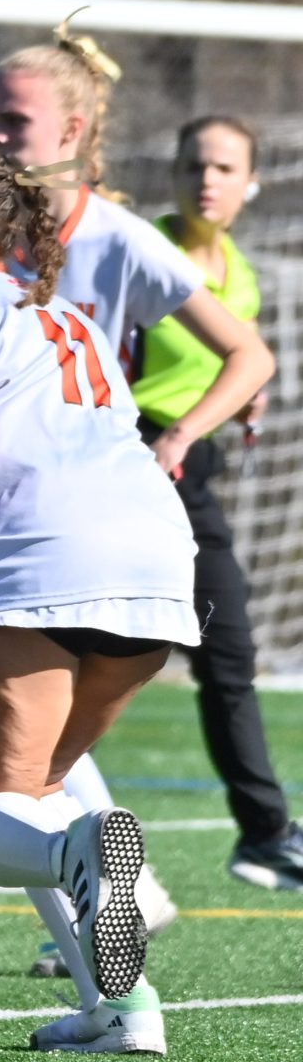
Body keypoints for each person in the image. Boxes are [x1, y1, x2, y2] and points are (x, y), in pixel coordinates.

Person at [0, 27, 281, 967]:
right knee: (40, 789)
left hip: (53, 559)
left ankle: (92, 863)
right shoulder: (62, 315)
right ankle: (120, 1008)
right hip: (153, 562)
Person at [144, 116, 303, 890]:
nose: (206, 180)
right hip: (134, 461)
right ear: (173, 174)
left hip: (189, 476)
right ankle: (35, 834)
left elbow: (235, 361)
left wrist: (240, 397)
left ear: (251, 185)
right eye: (194, 165)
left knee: (228, 650)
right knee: (85, 654)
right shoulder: (143, 251)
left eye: (224, 168)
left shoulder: (239, 273)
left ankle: (265, 835)